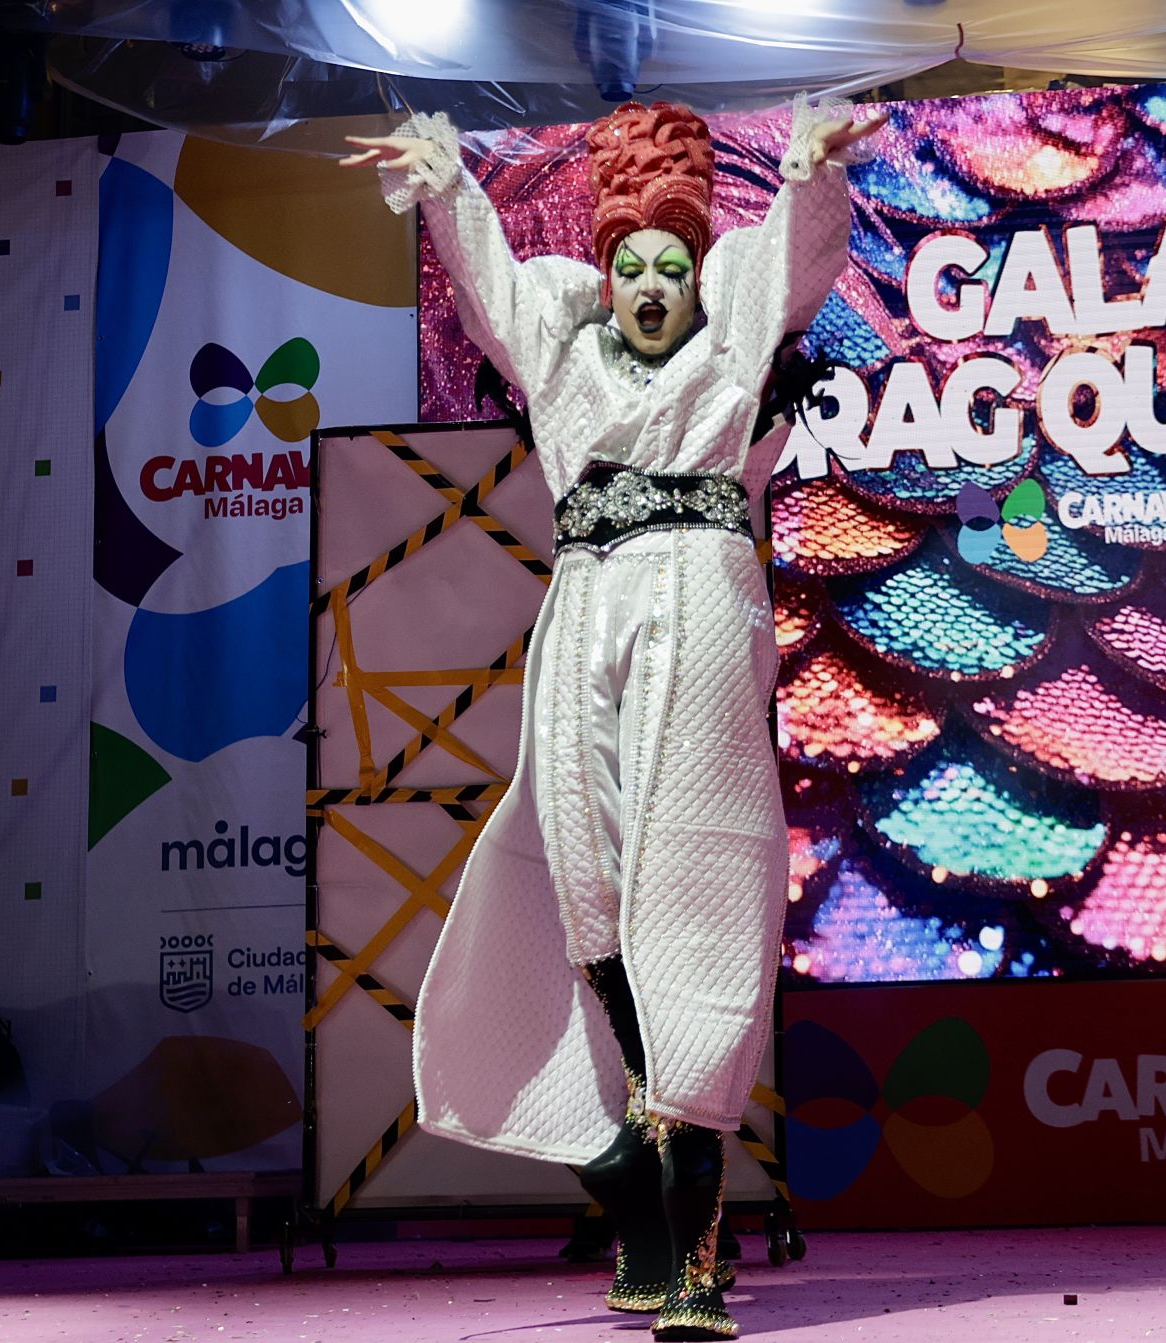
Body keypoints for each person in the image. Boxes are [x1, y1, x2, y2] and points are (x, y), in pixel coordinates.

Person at [340, 96, 881, 1341]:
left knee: (684, 883)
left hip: (697, 587)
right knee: (585, 890)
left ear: (700, 270)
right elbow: (482, 273)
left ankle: (687, 1204)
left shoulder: (735, 320)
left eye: (670, 267)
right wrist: (442, 180)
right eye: (630, 263)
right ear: (605, 265)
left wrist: (807, 171)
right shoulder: (563, 339)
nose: (648, 285)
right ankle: (642, 1158)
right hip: (584, 604)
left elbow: (797, 255)